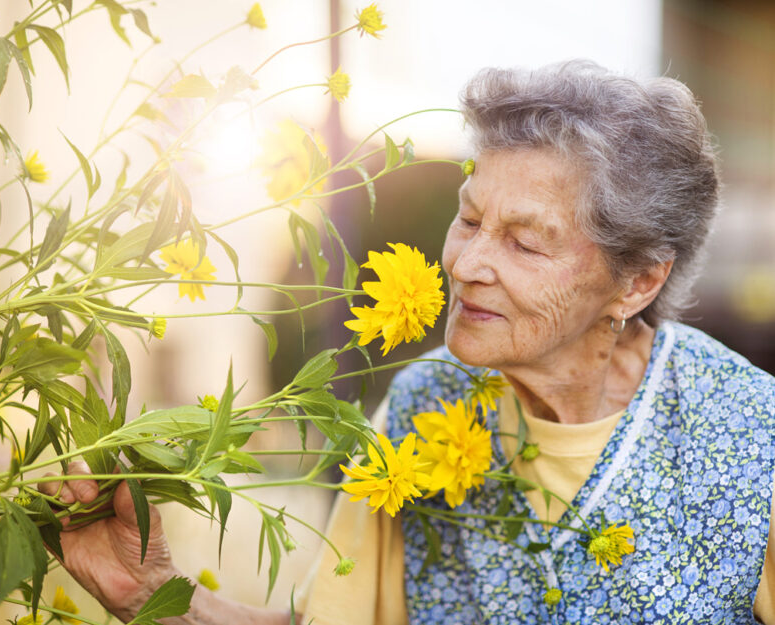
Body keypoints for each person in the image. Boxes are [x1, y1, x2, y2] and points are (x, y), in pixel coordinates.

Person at [43, 61, 775, 624]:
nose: (464, 262)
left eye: (524, 242)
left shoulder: (751, 435)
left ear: (638, 282)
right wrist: (153, 594)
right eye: (469, 218)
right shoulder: (423, 403)